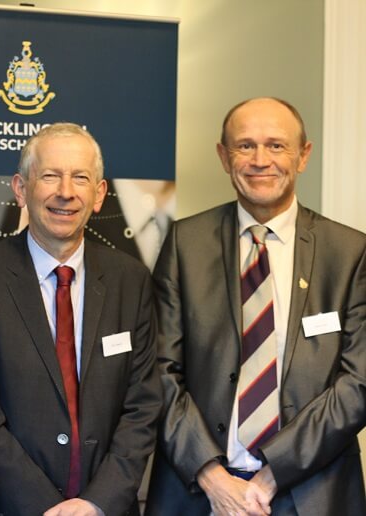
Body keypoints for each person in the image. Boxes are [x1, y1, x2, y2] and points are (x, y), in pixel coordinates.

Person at [145, 97, 366, 515]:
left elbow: (357, 383)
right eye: (245, 146)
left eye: (276, 145)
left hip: (313, 492)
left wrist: (273, 472)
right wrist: (212, 477)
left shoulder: (350, 253)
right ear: (223, 157)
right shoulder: (184, 244)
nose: (260, 160)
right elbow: (158, 370)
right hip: (198, 493)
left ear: (303, 156)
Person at [0, 122, 162, 515]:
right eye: (50, 176)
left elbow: (143, 404)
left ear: (99, 195)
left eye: (80, 178)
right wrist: (46, 507)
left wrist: (98, 502)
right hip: (8, 507)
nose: (65, 192)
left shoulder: (130, 279)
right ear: (20, 188)